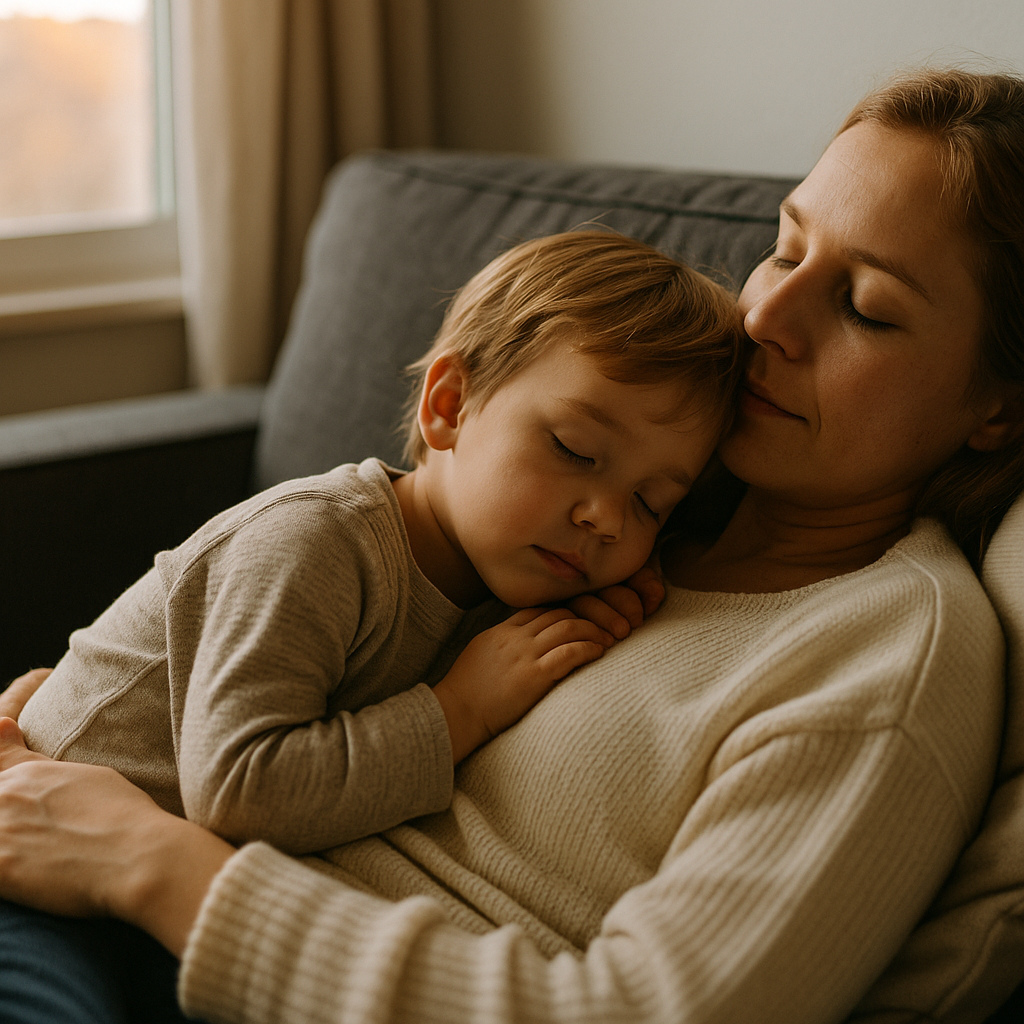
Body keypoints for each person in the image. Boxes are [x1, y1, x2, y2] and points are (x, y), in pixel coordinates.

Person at [0, 66, 1022, 1024]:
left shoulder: (883, 664)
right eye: (787, 249)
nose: (766, 318)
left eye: (867, 309)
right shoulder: (641, 508)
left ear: (997, 408)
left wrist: (139, 856)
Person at [16, 229, 740, 855]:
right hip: (39, 832)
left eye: (651, 503)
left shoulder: (510, 581)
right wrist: (460, 710)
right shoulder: (316, 543)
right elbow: (238, 792)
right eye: (575, 449)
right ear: (449, 406)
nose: (607, 519)